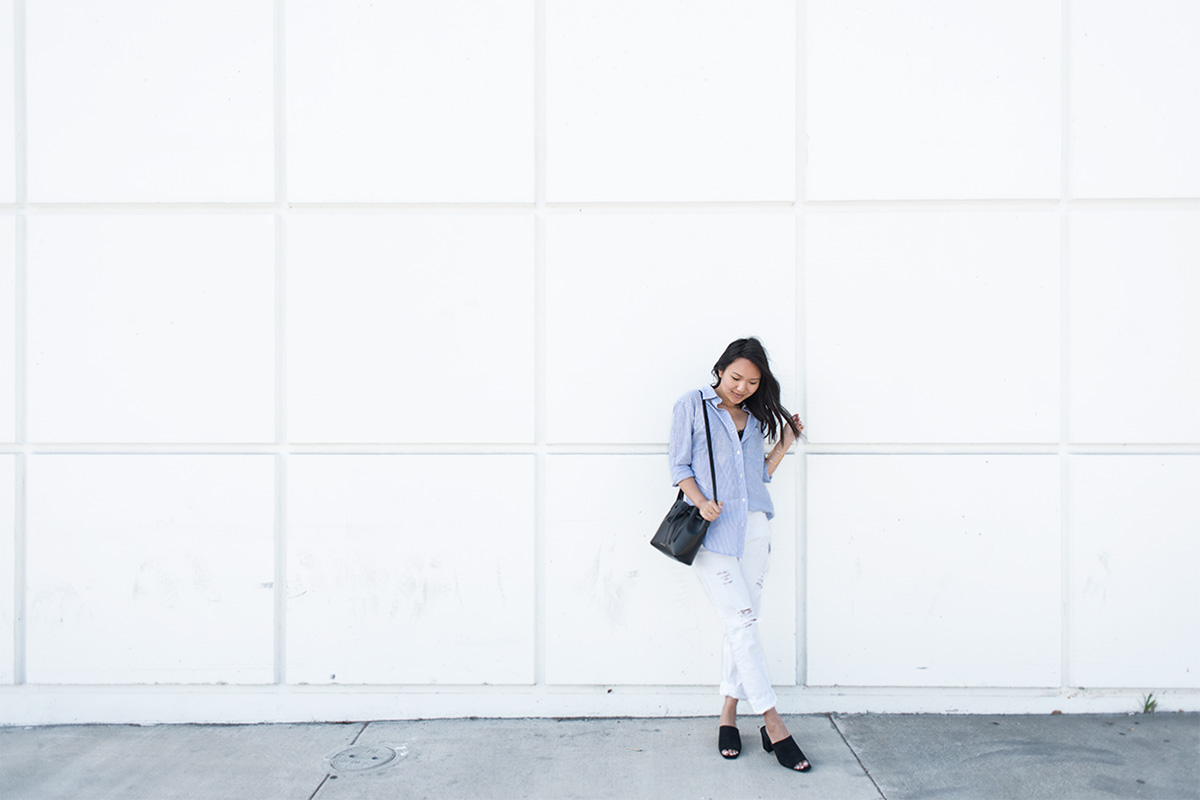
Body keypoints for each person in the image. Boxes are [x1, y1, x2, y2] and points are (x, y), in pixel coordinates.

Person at [668, 337, 810, 772]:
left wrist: (784, 442)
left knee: (742, 623)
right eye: (735, 378)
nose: (742, 388)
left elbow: (757, 477)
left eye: (752, 382)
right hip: (712, 533)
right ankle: (772, 721)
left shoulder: (751, 418)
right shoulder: (692, 405)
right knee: (742, 623)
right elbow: (679, 466)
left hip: (755, 530)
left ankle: (728, 714)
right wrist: (699, 500)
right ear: (720, 369)